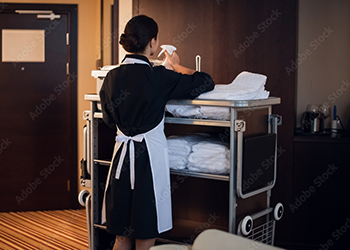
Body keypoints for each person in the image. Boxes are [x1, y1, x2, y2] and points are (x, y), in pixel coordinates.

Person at [99, 15, 215, 250]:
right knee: (145, 231)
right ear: (152, 43)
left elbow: (109, 120)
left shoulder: (110, 77)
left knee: (121, 234)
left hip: (120, 159)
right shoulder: (158, 76)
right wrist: (175, 66)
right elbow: (205, 81)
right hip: (148, 161)